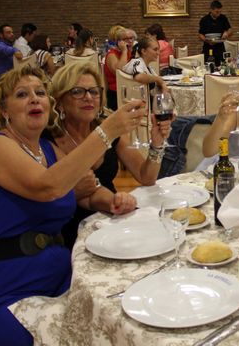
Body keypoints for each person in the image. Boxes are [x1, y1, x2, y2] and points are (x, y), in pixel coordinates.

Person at [0, 65, 143, 345]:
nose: (34, 99)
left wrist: (114, 200)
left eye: (40, 93)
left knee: (125, 307)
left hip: (62, 272)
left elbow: (87, 191)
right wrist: (106, 131)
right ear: (4, 110)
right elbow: (49, 187)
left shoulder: (45, 150)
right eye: (22, 94)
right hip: (7, 285)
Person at [50, 62, 172, 246]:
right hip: (69, 230)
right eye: (77, 92)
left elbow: (146, 177)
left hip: (112, 217)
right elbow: (82, 190)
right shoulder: (50, 140)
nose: (88, 97)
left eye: (94, 91)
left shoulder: (108, 129)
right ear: (59, 102)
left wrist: (157, 143)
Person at [104, 28, 134, 109]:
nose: (130, 41)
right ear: (118, 41)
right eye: (126, 39)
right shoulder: (111, 54)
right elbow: (120, 71)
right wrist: (124, 51)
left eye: (131, 38)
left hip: (130, 90)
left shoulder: (131, 53)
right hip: (116, 93)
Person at [198, 0, 232, 66]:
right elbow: (200, 34)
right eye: (217, 12)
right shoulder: (204, 20)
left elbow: (230, 30)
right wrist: (206, 40)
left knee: (222, 67)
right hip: (208, 47)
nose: (218, 14)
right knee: (208, 67)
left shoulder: (223, 18)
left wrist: (227, 33)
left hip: (220, 48)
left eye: (220, 12)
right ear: (211, 10)